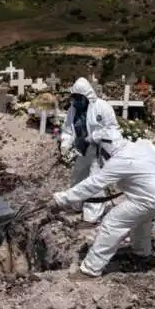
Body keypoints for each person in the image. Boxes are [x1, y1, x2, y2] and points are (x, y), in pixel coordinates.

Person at [52, 127, 155, 280]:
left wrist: (61, 198)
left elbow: (94, 184)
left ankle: (90, 270)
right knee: (141, 219)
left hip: (152, 197)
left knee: (113, 222)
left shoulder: (120, 160)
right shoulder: (142, 146)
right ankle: (142, 253)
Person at [59, 77, 120, 226]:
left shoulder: (102, 107)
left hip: (99, 150)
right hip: (82, 150)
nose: (75, 102)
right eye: (74, 98)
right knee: (78, 177)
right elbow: (68, 129)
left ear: (87, 96)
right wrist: (65, 143)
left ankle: (92, 215)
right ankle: (76, 205)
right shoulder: (72, 111)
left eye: (79, 99)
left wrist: (95, 137)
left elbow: (112, 129)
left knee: (95, 181)